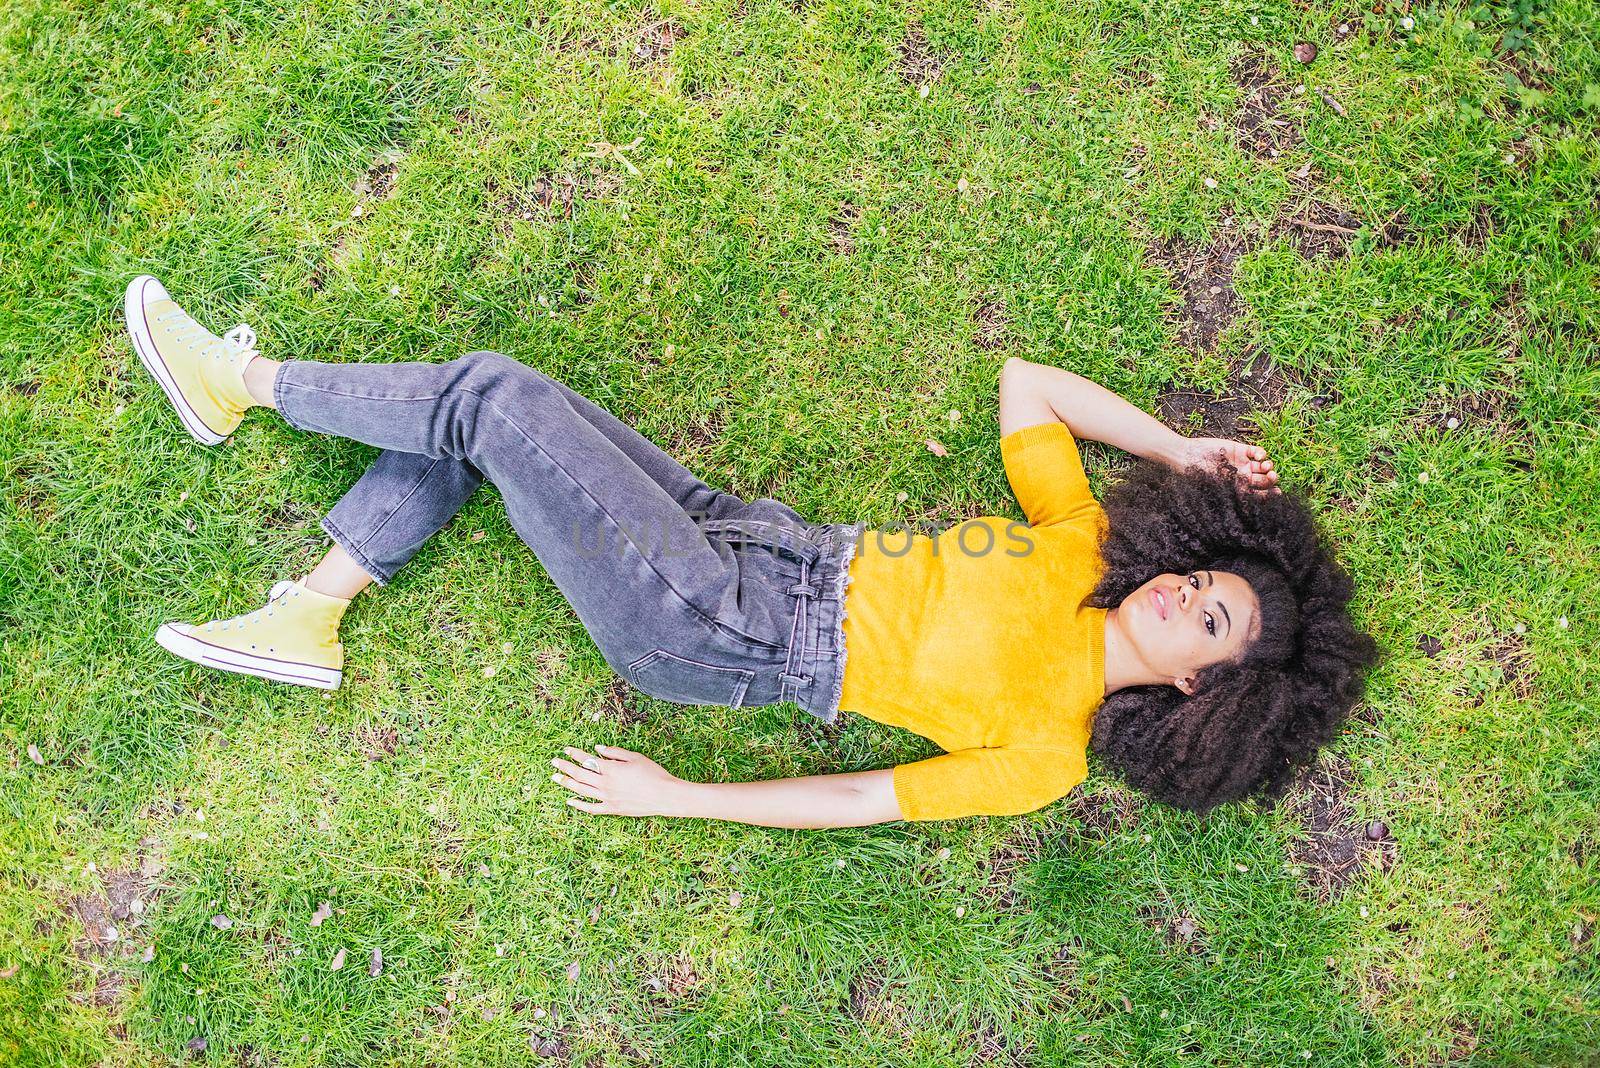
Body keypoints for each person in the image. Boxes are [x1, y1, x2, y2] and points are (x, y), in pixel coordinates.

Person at [123, 274, 1376, 829]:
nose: (1179, 594)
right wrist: (1176, 451)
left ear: (1202, 692)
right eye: (1202, 578)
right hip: (752, 536)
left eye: (1204, 622)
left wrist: (677, 797)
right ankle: (312, 610)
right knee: (512, 437)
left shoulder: (1045, 754)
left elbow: (854, 799)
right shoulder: (1088, 540)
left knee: (497, 401)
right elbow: (1026, 384)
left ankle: (236, 382)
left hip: (724, 629)